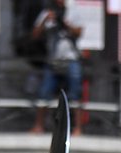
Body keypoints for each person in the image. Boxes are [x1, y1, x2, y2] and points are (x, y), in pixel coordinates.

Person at [29, 0, 83, 136]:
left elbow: (79, 32)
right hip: (53, 60)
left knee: (75, 94)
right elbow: (35, 34)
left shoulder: (73, 10)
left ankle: (77, 128)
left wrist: (65, 24)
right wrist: (46, 21)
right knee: (44, 92)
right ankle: (38, 126)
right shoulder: (48, 12)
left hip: (70, 59)